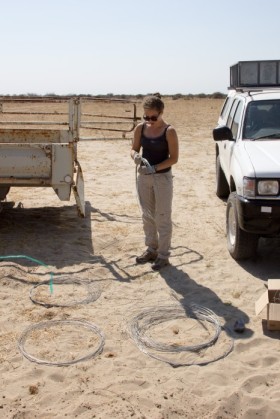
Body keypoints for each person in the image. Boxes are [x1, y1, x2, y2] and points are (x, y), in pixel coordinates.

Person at [130, 94, 179, 271]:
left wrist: (155, 168)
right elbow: (134, 149)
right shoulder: (140, 129)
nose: (149, 120)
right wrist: (135, 156)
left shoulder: (169, 131)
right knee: (147, 214)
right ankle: (151, 249)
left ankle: (163, 255)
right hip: (143, 177)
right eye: (146, 117)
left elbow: (174, 159)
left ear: (161, 113)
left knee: (163, 216)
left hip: (162, 179)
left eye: (153, 117)